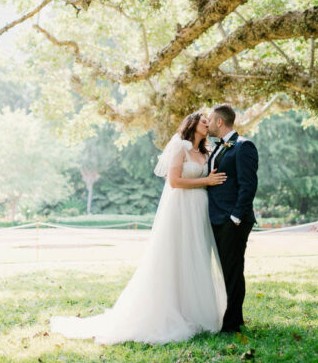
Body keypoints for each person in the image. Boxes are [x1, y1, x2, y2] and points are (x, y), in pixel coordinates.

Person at [50, 112, 228, 344]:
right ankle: (173, 311)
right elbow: (174, 181)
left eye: (208, 122)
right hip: (181, 209)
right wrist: (205, 181)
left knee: (196, 257)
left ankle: (196, 312)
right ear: (192, 124)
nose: (207, 124)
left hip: (199, 211)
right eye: (204, 121)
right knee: (176, 258)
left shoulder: (207, 151)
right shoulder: (180, 147)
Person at [206, 104, 258, 333]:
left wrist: (235, 217)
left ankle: (232, 323)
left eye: (209, 119)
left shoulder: (243, 146)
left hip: (232, 220)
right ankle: (224, 318)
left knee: (233, 271)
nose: (206, 123)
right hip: (215, 219)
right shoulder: (215, 148)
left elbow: (248, 185)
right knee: (224, 271)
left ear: (220, 122)